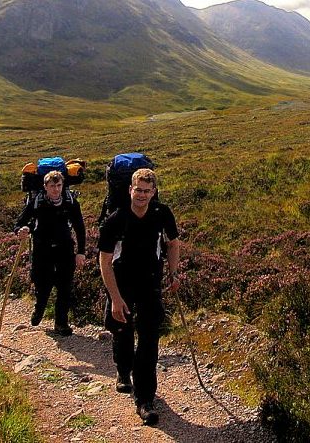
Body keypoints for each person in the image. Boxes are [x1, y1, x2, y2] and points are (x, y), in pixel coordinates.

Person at [97, 168, 181, 427]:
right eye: (138, 190)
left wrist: (174, 273)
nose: (142, 195)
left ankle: (145, 400)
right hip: (122, 283)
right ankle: (123, 370)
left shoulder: (161, 213)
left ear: (154, 192)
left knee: (149, 340)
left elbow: (173, 243)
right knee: (122, 330)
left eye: (147, 191)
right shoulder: (115, 220)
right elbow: (105, 261)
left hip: (150, 283)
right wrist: (115, 298)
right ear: (129, 190)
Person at [15, 170, 87, 336]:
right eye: (52, 186)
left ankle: (61, 323)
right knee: (43, 285)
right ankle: (39, 308)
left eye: (59, 185)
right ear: (45, 187)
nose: (56, 189)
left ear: (63, 186)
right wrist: (21, 230)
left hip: (65, 249)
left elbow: (80, 228)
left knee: (65, 288)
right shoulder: (36, 203)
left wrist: (81, 252)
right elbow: (20, 222)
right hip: (42, 251)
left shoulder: (71, 203)